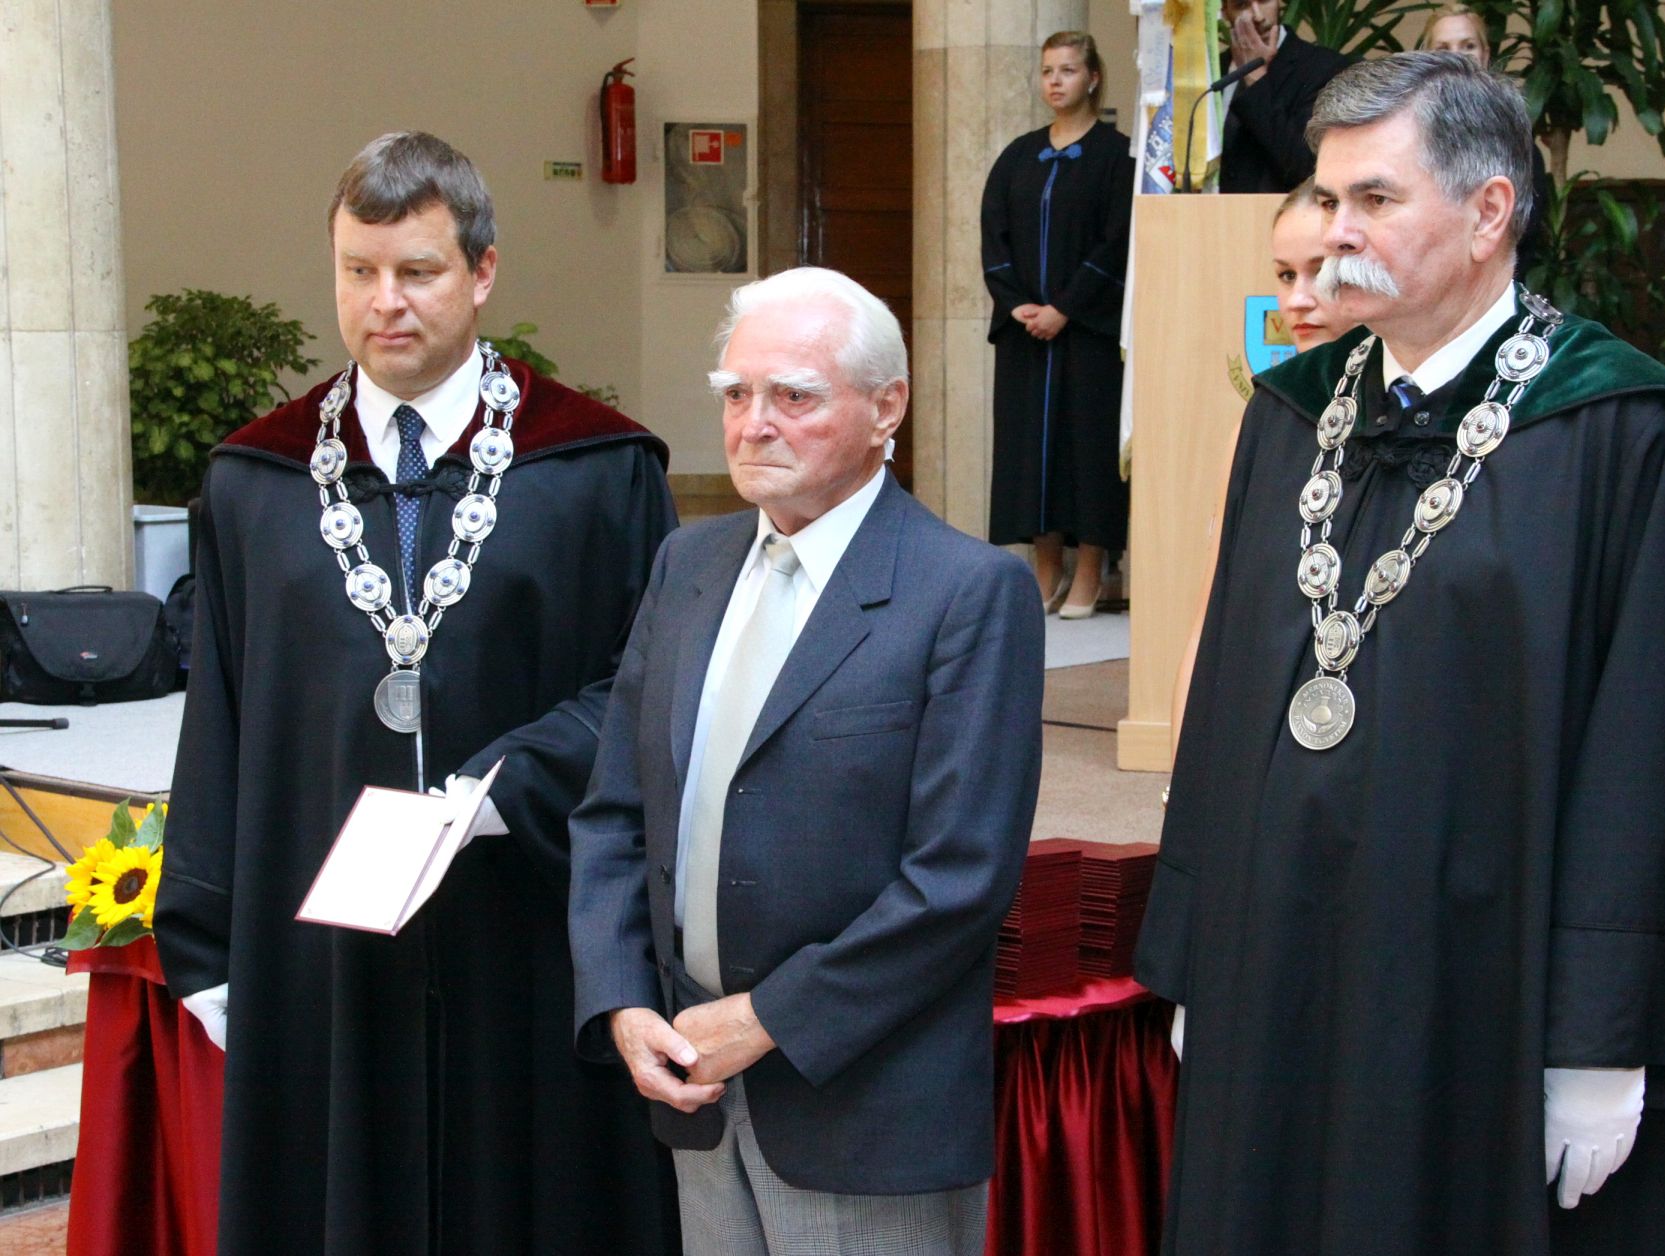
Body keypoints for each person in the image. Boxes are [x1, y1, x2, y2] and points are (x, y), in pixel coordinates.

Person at [1136, 54, 1665, 1255]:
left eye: (1375, 199)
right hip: (1285, 970)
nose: (1337, 231)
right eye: (1328, 198)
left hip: (1493, 991)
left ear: (1490, 212)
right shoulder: (1290, 414)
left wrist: (1603, 1037)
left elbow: (1660, 756)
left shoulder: (1623, 431)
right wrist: (1200, 954)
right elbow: (1228, 702)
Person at [153, 132, 682, 1254]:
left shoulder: (596, 469)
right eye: (359, 271)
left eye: (417, 271)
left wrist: (503, 784)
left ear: (482, 272)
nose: (384, 302)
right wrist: (201, 933)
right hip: (322, 942)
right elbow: (222, 719)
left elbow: (647, 691)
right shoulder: (255, 481)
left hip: (527, 924)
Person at [566, 267, 1044, 1255]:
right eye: (736, 394)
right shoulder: (687, 565)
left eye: (794, 396)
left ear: (886, 408)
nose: (755, 424)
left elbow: (959, 877)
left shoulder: (967, 591)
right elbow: (616, 810)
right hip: (694, 1082)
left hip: (865, 1103)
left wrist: (767, 1018)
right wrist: (622, 998)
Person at [1171, 181, 1357, 737]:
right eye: (1285, 275)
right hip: (1265, 708)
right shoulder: (1266, 419)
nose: (1298, 299)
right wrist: (1182, 769)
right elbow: (1212, 615)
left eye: (1319, 270)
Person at [982, 31, 1134, 617]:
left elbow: (1116, 242)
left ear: (1092, 78)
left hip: (1087, 332)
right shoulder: (1018, 156)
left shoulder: (1116, 157)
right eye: (1048, 70)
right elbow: (994, 236)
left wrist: (1065, 307)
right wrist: (1017, 303)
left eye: (1068, 70)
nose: (1055, 81)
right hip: (1025, 334)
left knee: (1087, 449)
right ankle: (1044, 570)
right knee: (1029, 451)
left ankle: (1090, 569)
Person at [1415, 3, 1556, 274]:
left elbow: (1524, 229)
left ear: (1485, 54)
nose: (1457, 56)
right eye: (1443, 48)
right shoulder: (1409, 132)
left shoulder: (1514, 137)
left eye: (1468, 46)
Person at [1216, 0, 1352, 194]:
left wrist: (1255, 80)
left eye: (1264, 1)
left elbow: (1306, 167)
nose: (1258, 16)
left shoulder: (1323, 67)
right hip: (1208, 209)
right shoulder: (1213, 71)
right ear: (1225, 11)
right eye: (1242, 5)